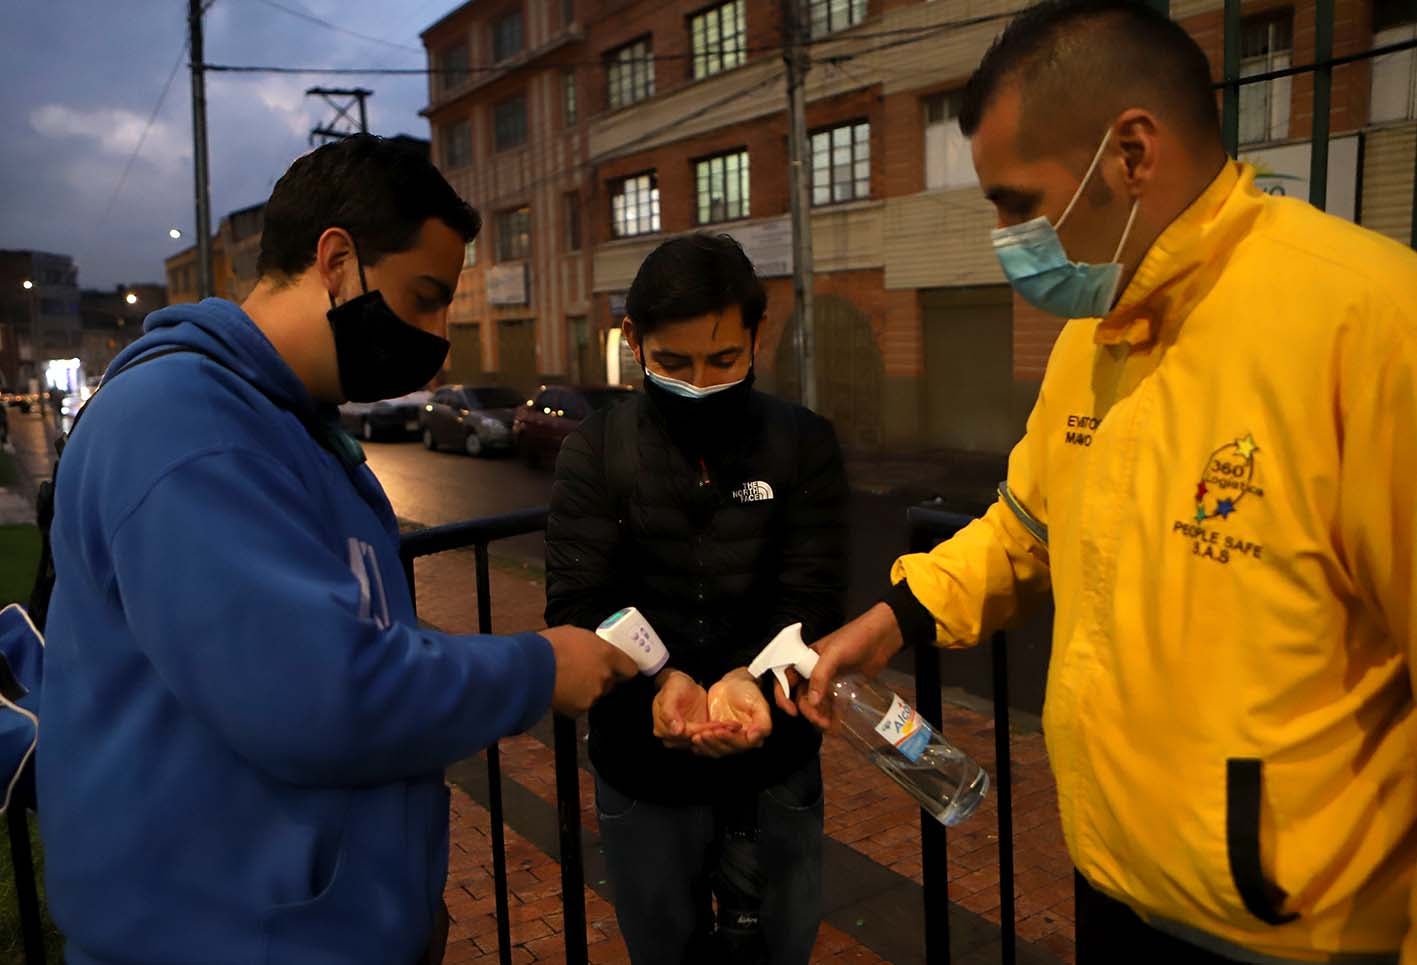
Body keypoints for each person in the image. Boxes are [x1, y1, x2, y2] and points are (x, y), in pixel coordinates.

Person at [780, 2, 1417, 962]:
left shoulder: (1368, 325)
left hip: (1299, 937)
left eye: (1015, 202)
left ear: (1129, 153)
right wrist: (896, 617)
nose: (1004, 238)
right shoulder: (1095, 333)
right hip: (1113, 885)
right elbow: (1023, 528)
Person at [38, 134, 636, 965]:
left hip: (314, 925)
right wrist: (540, 668)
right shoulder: (189, 427)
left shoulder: (283, 419)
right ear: (337, 259)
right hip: (226, 938)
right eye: (425, 297)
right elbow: (320, 695)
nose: (438, 338)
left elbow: (356, 640)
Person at [545, 234, 847, 965]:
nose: (700, 383)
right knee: (662, 950)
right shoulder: (595, 447)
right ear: (633, 342)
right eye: (673, 363)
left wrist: (750, 677)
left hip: (774, 757)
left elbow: (811, 597)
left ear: (756, 336)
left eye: (723, 361)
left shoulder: (802, 443)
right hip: (641, 762)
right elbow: (581, 600)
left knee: (783, 946)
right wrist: (662, 678)